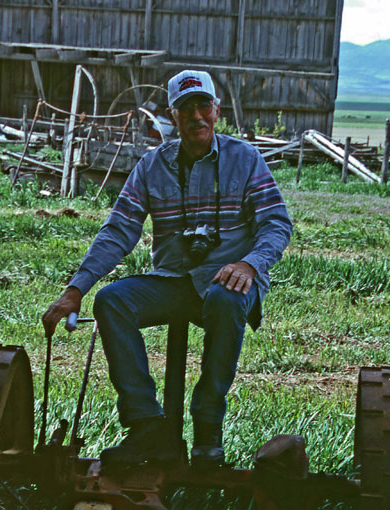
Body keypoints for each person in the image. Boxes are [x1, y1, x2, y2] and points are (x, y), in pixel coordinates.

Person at [42, 70, 292, 468]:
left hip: (228, 282)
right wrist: (77, 288)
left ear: (217, 110)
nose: (197, 116)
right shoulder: (151, 165)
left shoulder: (245, 159)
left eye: (203, 106)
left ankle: (208, 425)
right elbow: (119, 229)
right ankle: (147, 428)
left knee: (227, 298)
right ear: (171, 116)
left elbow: (277, 224)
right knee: (112, 301)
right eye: (186, 108)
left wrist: (249, 263)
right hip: (173, 282)